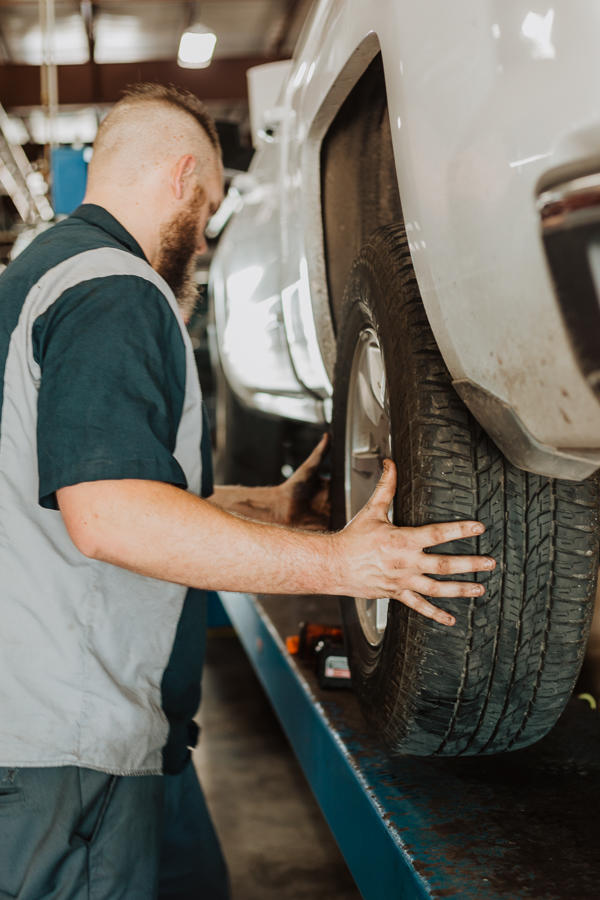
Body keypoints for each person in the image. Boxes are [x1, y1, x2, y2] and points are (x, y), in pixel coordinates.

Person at [0, 83, 495, 898]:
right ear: (183, 174)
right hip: (69, 751)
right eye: (210, 207)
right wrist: (343, 566)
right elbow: (110, 515)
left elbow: (71, 488)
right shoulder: (114, 290)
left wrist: (272, 508)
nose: (201, 236)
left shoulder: (38, 278)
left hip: (101, 731)